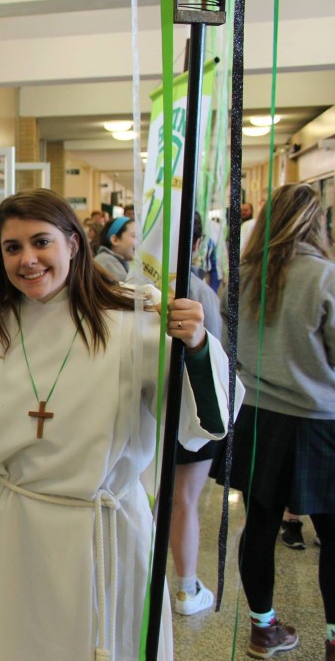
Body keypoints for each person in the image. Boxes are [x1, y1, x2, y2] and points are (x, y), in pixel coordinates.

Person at [0, 188, 237, 660]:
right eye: (12, 248)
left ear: (73, 243)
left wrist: (195, 345)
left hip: (101, 532)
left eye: (41, 242)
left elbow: (203, 421)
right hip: (13, 534)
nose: (27, 260)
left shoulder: (131, 320)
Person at [210, 183, 335, 660]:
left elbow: (228, 345)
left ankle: (263, 629)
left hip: (257, 415)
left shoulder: (240, 277)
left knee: (259, 524)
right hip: (319, 421)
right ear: (315, 222)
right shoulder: (325, 278)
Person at [171, 212, 224, 616]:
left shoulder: (134, 285)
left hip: (152, 411)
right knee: (185, 499)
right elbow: (217, 357)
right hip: (190, 409)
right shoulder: (199, 293)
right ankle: (186, 589)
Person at [94, 216, 137, 282]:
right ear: (115, 240)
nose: (140, 242)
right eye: (135, 236)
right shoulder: (106, 261)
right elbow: (128, 290)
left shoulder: (123, 261)